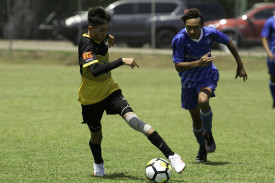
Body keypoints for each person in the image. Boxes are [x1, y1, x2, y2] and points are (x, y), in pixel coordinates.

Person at [78, 6, 185, 177]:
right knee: (96, 135)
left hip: (110, 90)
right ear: (90, 29)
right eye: (102, 30)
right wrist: (121, 60)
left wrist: (107, 37)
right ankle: (98, 163)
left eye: (107, 29)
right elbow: (95, 70)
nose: (105, 33)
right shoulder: (86, 44)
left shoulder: (100, 36)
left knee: (134, 121)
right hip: (90, 98)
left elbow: (103, 37)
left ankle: (172, 155)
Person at [172, 8, 247, 163]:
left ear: (202, 26)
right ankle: (202, 147)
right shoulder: (179, 39)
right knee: (196, 121)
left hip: (207, 75)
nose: (191, 31)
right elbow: (178, 66)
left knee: (203, 101)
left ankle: (208, 133)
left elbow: (228, 41)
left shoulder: (210, 33)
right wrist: (197, 63)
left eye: (195, 27)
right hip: (187, 81)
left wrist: (239, 64)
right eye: (188, 28)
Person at [261, 11, 275, 109]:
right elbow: (264, 38)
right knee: (273, 77)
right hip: (273, 55)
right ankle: (274, 100)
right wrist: (269, 52)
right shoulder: (270, 22)